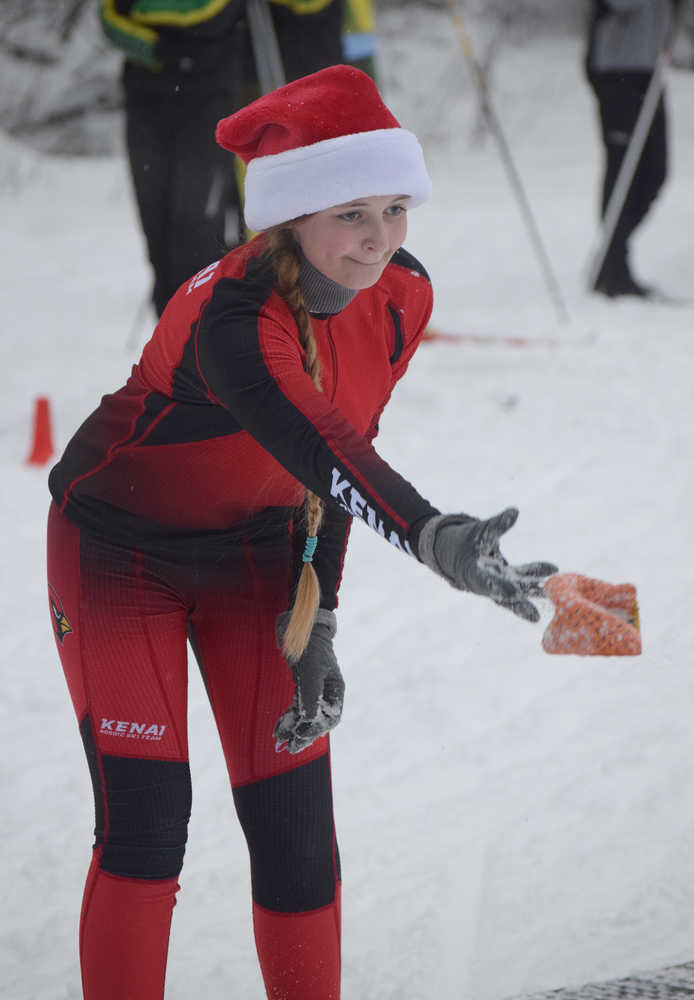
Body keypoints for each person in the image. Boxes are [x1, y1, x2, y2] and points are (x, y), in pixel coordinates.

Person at [47, 65, 557, 999]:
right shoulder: (234, 319)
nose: (377, 241)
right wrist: (435, 535)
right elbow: (318, 447)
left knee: (292, 828)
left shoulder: (403, 295)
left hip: (256, 556)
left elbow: (335, 472)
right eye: (350, 215)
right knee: (148, 827)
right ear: (292, 218)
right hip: (119, 551)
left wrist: (318, 619)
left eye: (395, 208)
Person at [100, 0, 344, 317]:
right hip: (152, 98)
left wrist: (158, 33)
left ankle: (218, 325)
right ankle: (175, 335)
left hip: (230, 93)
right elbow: (110, 19)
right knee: (160, 226)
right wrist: (159, 48)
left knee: (198, 226)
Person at [585, 0, 678, 298]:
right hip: (616, 69)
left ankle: (611, 254)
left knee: (655, 172)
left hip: (650, 68)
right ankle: (613, 269)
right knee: (624, 170)